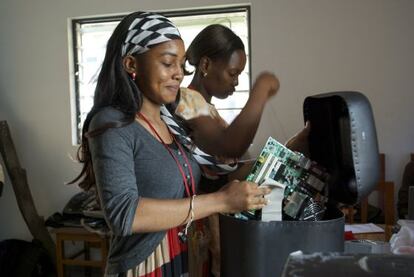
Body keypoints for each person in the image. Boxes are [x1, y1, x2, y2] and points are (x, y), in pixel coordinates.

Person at [71, 11, 271, 277]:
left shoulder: (173, 120)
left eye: (181, 64)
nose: (178, 73)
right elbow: (124, 214)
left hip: (187, 257)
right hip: (148, 266)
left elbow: (215, 170)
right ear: (131, 64)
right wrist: (222, 201)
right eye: (168, 63)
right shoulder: (111, 123)